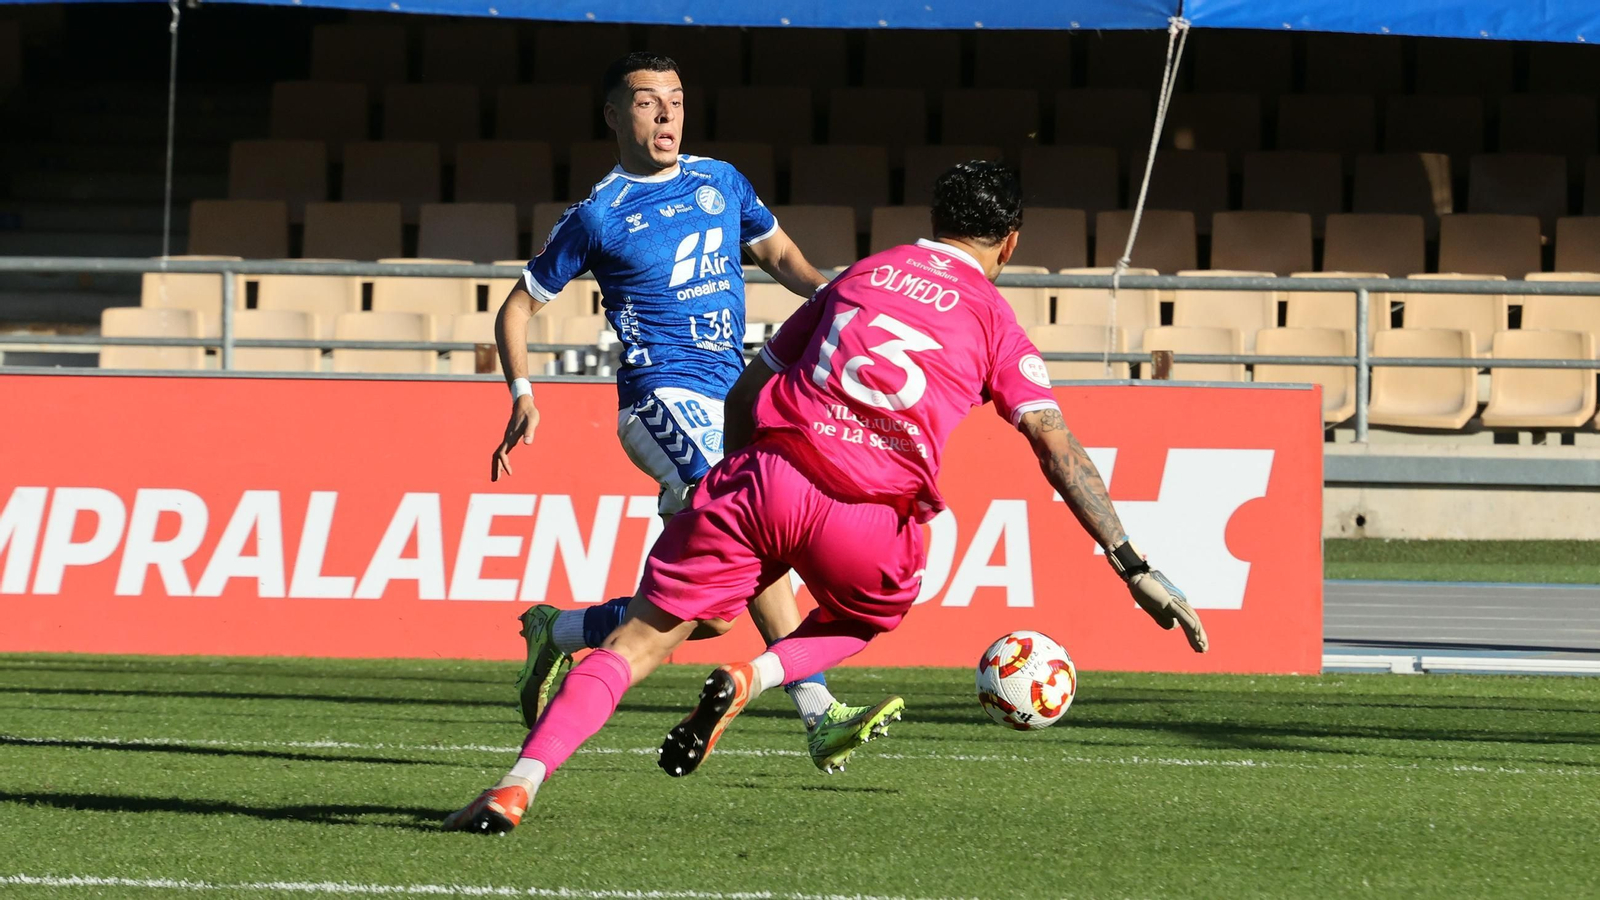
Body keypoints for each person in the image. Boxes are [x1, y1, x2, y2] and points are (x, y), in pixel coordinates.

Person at [445, 161, 1208, 834]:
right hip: (871, 514)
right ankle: (760, 678)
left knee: (638, 644)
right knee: (866, 616)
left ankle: (517, 786)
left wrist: (734, 484)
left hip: (769, 474)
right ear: (1010, 244)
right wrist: (1131, 563)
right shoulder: (995, 320)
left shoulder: (862, 276)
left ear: (933, 221)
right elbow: (1055, 444)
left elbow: (749, 389)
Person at [489, 51, 901, 773]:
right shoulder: (598, 214)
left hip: (734, 399)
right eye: (648, 101)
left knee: (710, 609)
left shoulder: (721, 181)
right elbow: (516, 308)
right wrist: (523, 392)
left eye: (676, 100)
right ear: (614, 114)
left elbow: (779, 254)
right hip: (660, 398)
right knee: (753, 518)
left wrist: (831, 296)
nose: (667, 114)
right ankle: (818, 714)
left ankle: (561, 630)